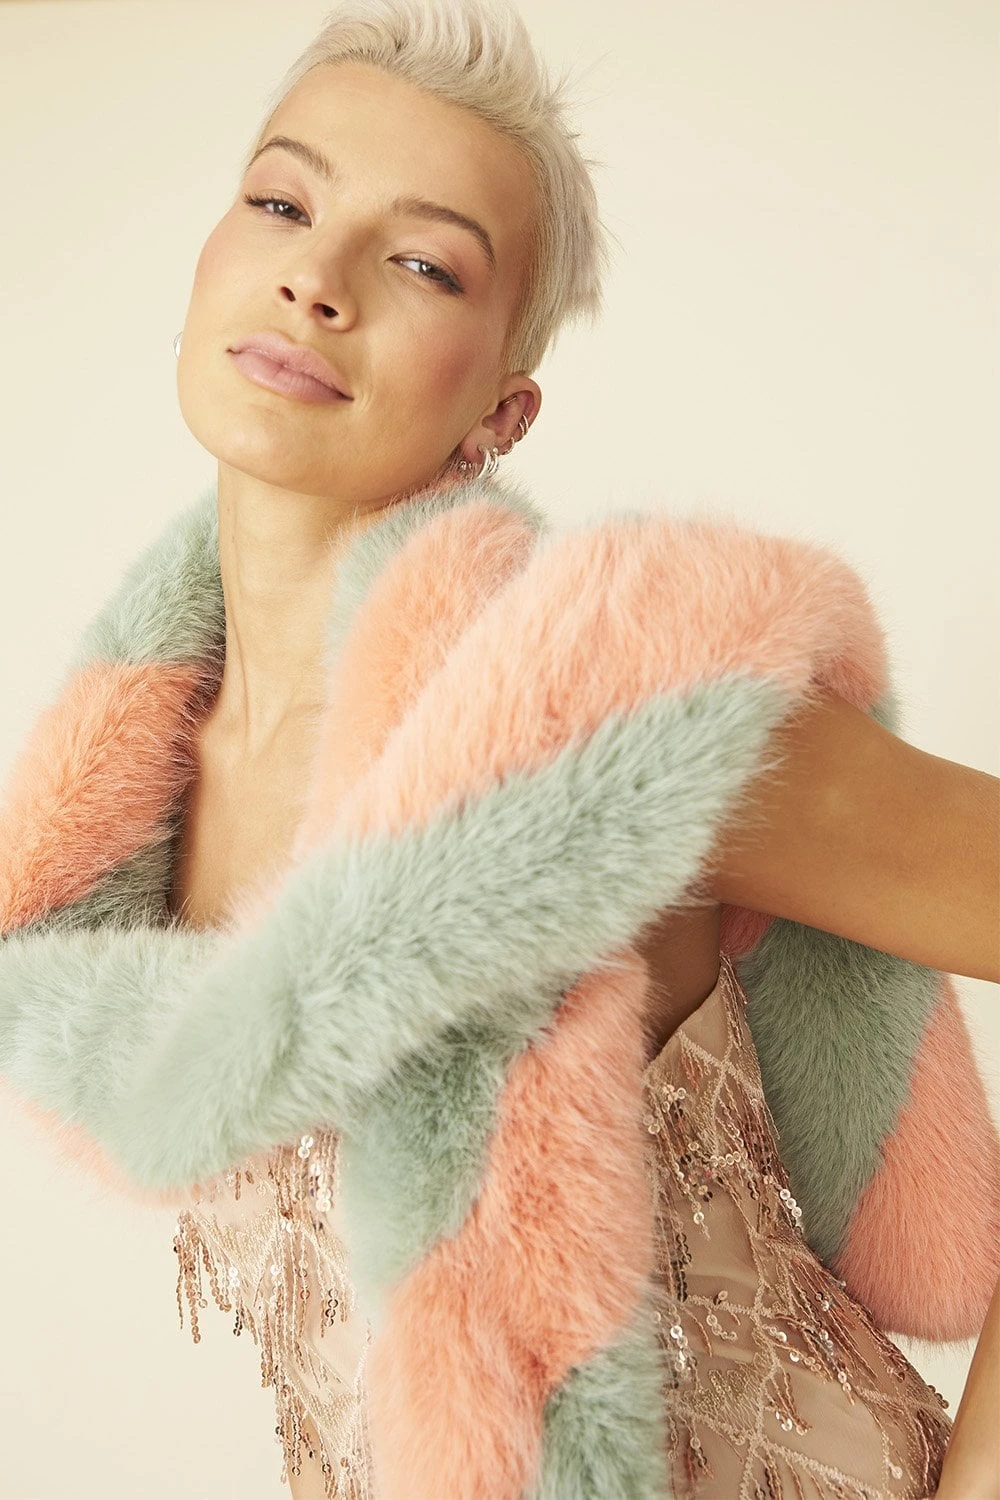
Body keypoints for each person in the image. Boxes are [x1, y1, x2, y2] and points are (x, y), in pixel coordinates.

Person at [4, 1, 997, 1496]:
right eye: (281, 203)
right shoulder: (123, 814)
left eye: (423, 264)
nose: (317, 279)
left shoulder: (626, 713)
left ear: (503, 410)